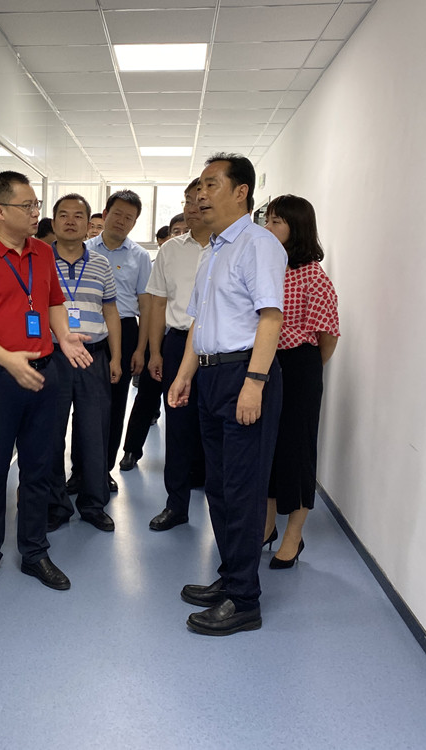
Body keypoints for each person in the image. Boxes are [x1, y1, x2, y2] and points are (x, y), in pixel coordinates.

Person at [0, 171, 92, 592]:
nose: (35, 213)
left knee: (39, 467)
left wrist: (64, 336)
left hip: (45, 372)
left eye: (36, 205)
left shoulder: (42, 253)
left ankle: (34, 552)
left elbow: (53, 302)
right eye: (27, 206)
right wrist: (6, 358)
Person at [170, 153, 287, 636]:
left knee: (242, 489)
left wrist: (254, 383)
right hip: (211, 376)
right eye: (199, 186)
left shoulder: (258, 245)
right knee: (218, 486)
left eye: (212, 185)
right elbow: (199, 322)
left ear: (241, 192)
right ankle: (231, 576)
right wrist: (184, 375)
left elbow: (270, 317)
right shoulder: (214, 249)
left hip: (244, 374)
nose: (201, 194)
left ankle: (244, 601)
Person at [261, 195, 340, 568]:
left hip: (299, 367)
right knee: (267, 447)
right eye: (267, 220)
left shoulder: (313, 276)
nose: (268, 228)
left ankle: (293, 535)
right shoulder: (266, 267)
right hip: (264, 363)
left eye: (276, 222)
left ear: (297, 227)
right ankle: (266, 526)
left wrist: (305, 369)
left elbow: (328, 337)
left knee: (297, 450)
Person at [45, 194, 122, 533]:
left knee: (94, 432)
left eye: (78, 215)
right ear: (54, 221)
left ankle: (93, 504)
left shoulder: (101, 264)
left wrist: (116, 357)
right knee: (50, 434)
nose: (71, 221)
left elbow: (111, 311)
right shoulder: (38, 261)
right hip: (52, 356)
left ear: (89, 222)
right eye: (63, 215)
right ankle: (55, 505)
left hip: (93, 355)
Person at [145, 180, 208, 531]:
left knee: (215, 428)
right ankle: (176, 504)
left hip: (217, 349)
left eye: (199, 200)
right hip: (177, 342)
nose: (191, 207)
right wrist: (156, 351)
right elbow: (157, 303)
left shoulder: (230, 247)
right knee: (178, 426)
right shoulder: (170, 251)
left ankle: (220, 509)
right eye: (187, 201)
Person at [86, 191, 162, 478]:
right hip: (89, 330)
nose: (121, 221)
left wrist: (141, 349)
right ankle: (81, 470)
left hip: (127, 328)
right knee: (84, 402)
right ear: (105, 214)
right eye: (117, 214)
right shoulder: (84, 248)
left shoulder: (140, 256)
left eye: (129, 218)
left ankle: (104, 470)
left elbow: (146, 305)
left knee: (116, 404)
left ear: (134, 223)